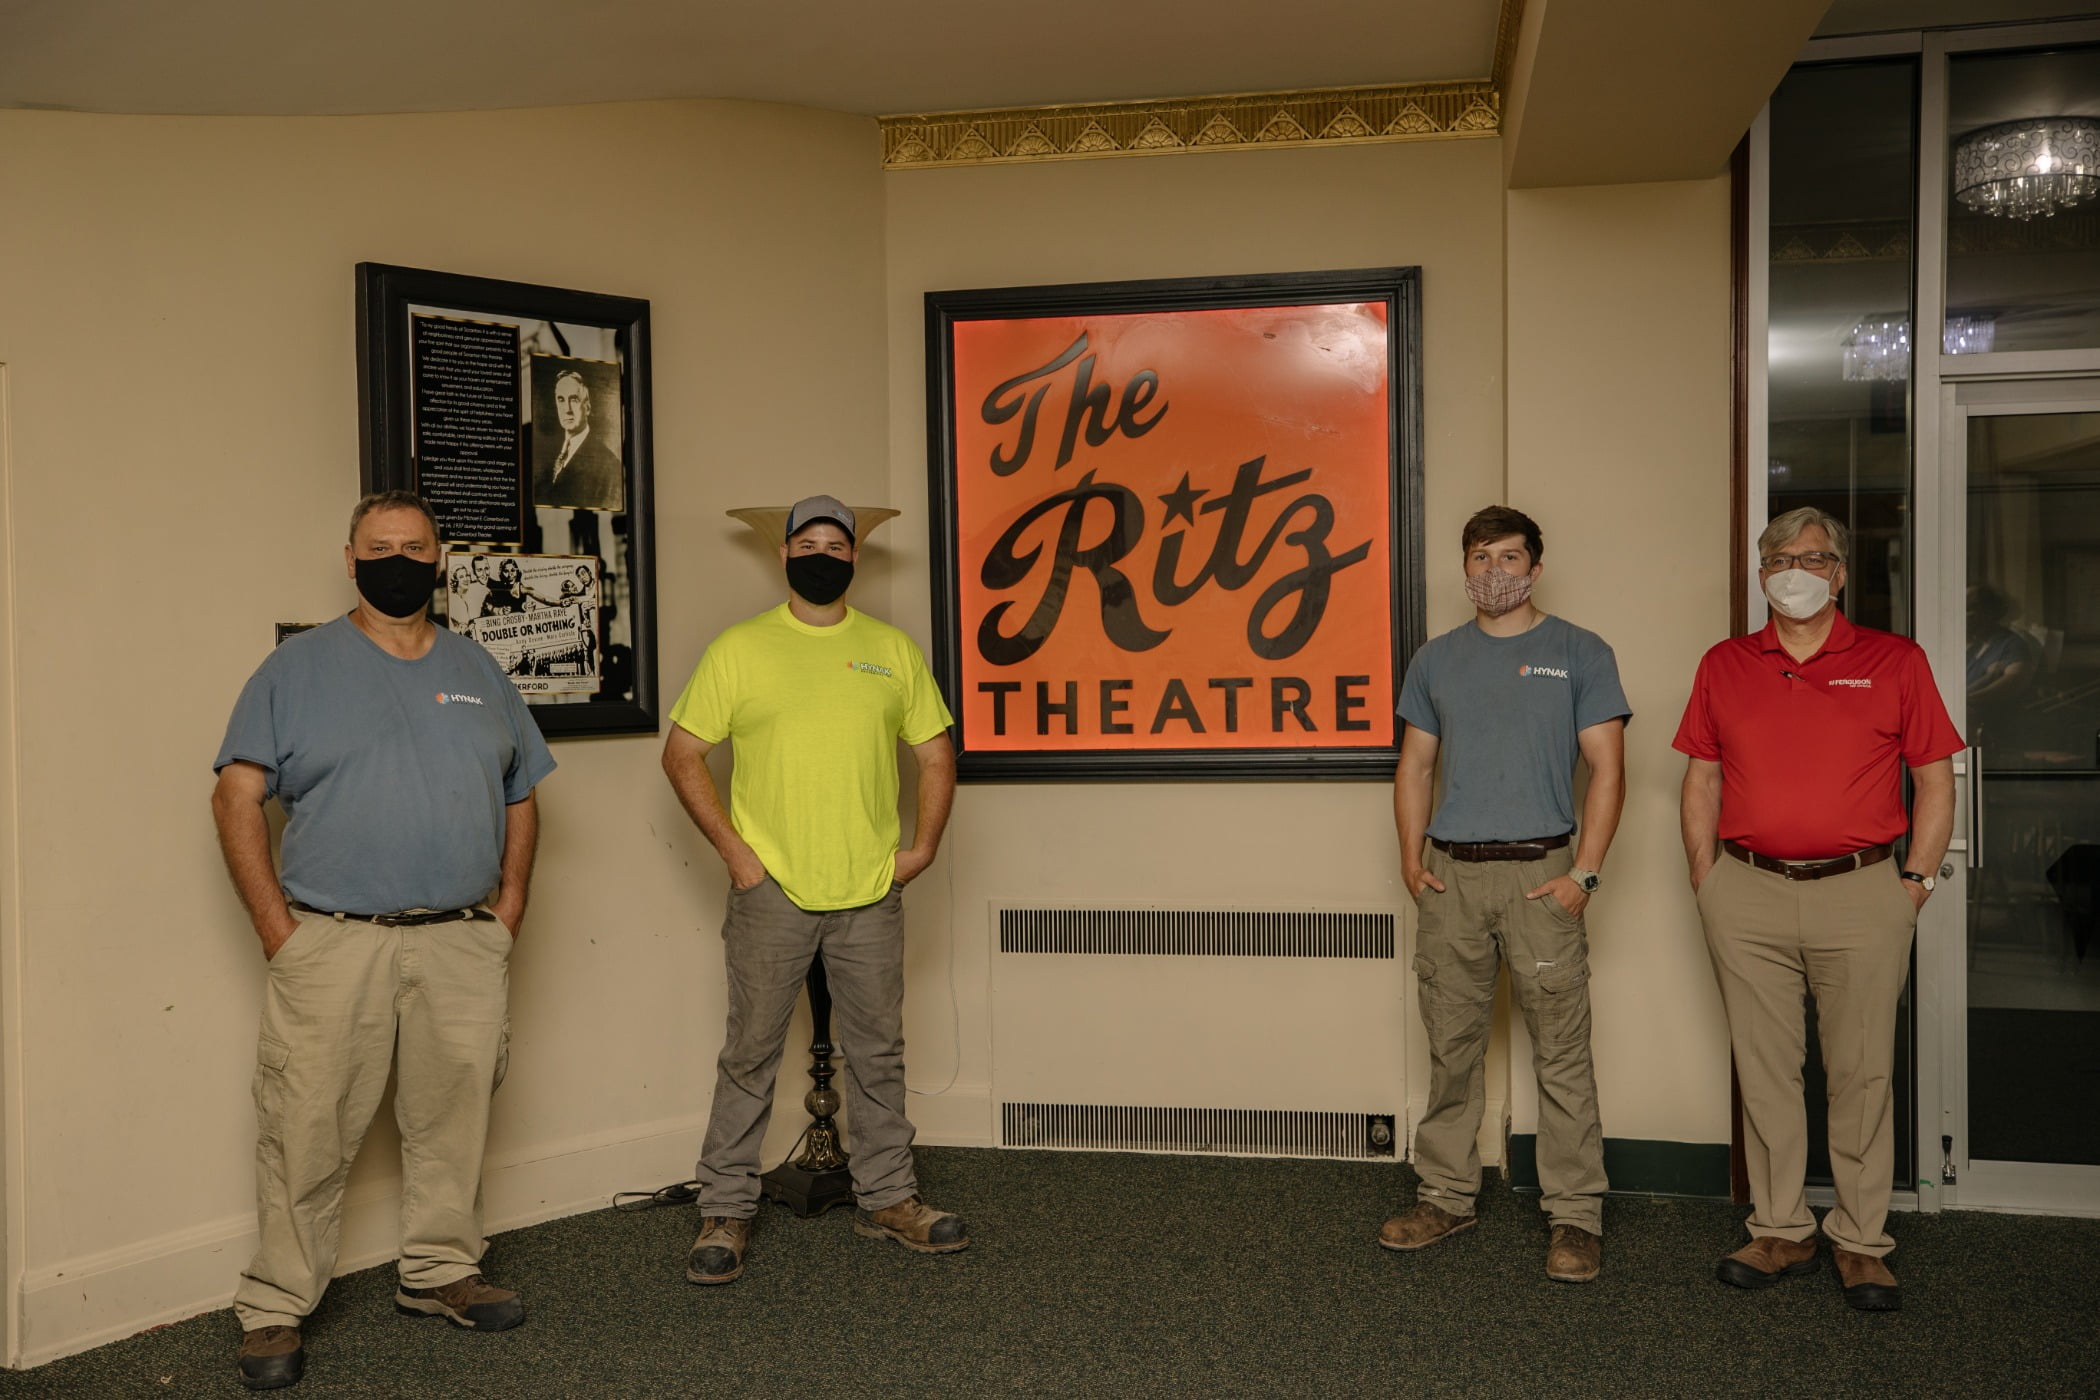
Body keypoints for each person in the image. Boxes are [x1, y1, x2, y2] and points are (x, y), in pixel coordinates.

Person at [211, 491, 555, 1389]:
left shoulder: (480, 667)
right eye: (380, 547)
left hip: (460, 941)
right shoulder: (294, 671)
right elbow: (236, 796)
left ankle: (439, 1272)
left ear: (439, 559)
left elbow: (522, 794)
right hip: (333, 942)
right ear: (351, 557)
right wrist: (277, 931)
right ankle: (276, 1305)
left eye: (414, 546)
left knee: (454, 1118)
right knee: (306, 1124)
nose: (397, 559)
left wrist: (509, 905)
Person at [662, 493, 962, 1284]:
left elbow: (935, 755)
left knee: (878, 1054)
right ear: (786, 555)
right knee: (750, 1053)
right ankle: (725, 1209)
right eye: (808, 542)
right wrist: (737, 855)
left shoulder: (891, 651)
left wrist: (921, 847)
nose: (821, 554)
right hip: (773, 895)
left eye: (836, 543)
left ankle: (890, 1199)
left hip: (869, 892)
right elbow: (682, 753)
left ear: (853, 559)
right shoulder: (740, 649)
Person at [1675, 506, 1959, 1312]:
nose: (1792, 569)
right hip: (1747, 891)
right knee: (1765, 1070)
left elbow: (1935, 779)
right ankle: (1780, 1228)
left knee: (1860, 1070)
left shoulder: (1895, 660)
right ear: (1761, 574)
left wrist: (1915, 883)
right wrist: (1707, 877)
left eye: (1811, 556)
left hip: (1864, 892)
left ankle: (1862, 1241)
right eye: (1777, 558)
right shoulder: (1725, 663)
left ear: (1838, 573)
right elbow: (1699, 777)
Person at [1381, 505, 1629, 1284]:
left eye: (1510, 556)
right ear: (1466, 569)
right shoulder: (1436, 660)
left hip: (1541, 877)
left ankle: (1576, 1218)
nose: (1495, 570)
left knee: (1561, 1053)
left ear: (1536, 567)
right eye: (1482, 556)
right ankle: (1447, 1194)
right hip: (1451, 877)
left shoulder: (1579, 652)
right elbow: (1416, 766)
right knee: (1451, 1047)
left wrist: (1583, 873)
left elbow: (1609, 771)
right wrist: (1408, 857)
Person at [532, 368, 622, 511]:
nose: (566, 409)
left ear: (587, 407)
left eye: (574, 399)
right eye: (561, 400)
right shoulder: (547, 456)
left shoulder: (608, 464)